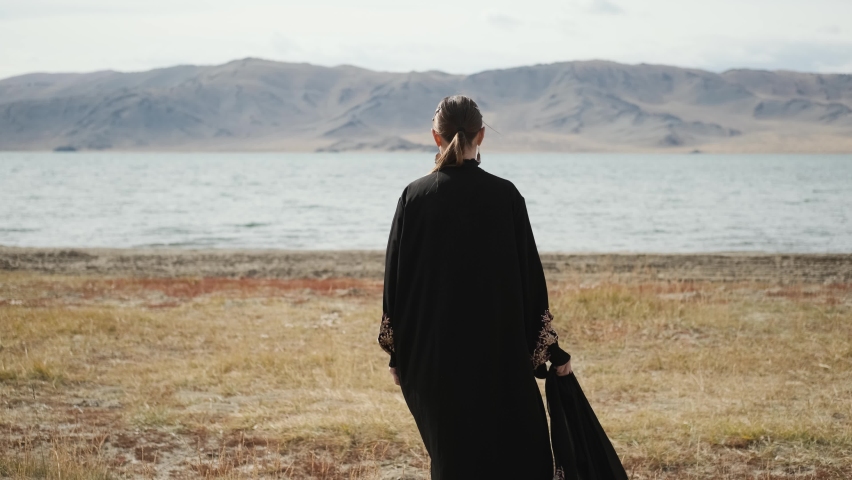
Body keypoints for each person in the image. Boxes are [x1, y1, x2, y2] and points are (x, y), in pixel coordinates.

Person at [378, 95, 572, 480]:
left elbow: (396, 283)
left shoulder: (413, 198)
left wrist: (397, 355)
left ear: (436, 137)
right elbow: (530, 280)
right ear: (481, 135)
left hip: (433, 362)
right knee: (517, 458)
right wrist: (550, 349)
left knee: (455, 462)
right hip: (499, 356)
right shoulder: (506, 197)